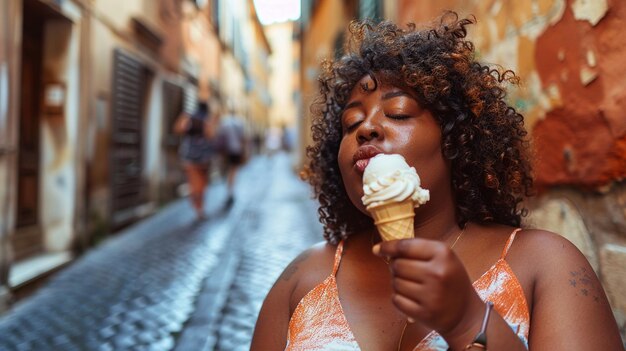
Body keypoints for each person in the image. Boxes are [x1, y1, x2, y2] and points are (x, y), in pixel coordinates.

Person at [251, 13, 624, 351]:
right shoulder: (301, 279)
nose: (366, 128)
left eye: (398, 113)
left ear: (455, 139)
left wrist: (467, 321)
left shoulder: (546, 265)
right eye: (351, 124)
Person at [174, 100, 219, 219]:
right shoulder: (207, 119)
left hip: (189, 155)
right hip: (204, 156)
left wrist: (183, 117)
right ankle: (200, 208)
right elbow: (211, 136)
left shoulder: (190, 119)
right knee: (202, 183)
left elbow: (177, 130)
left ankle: (197, 204)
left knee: (194, 182)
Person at [217, 108, 247, 207]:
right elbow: (243, 138)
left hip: (225, 151)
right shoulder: (240, 122)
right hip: (236, 150)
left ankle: (228, 189)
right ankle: (230, 190)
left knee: (228, 171)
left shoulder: (224, 122)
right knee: (233, 171)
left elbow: (219, 136)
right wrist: (244, 152)